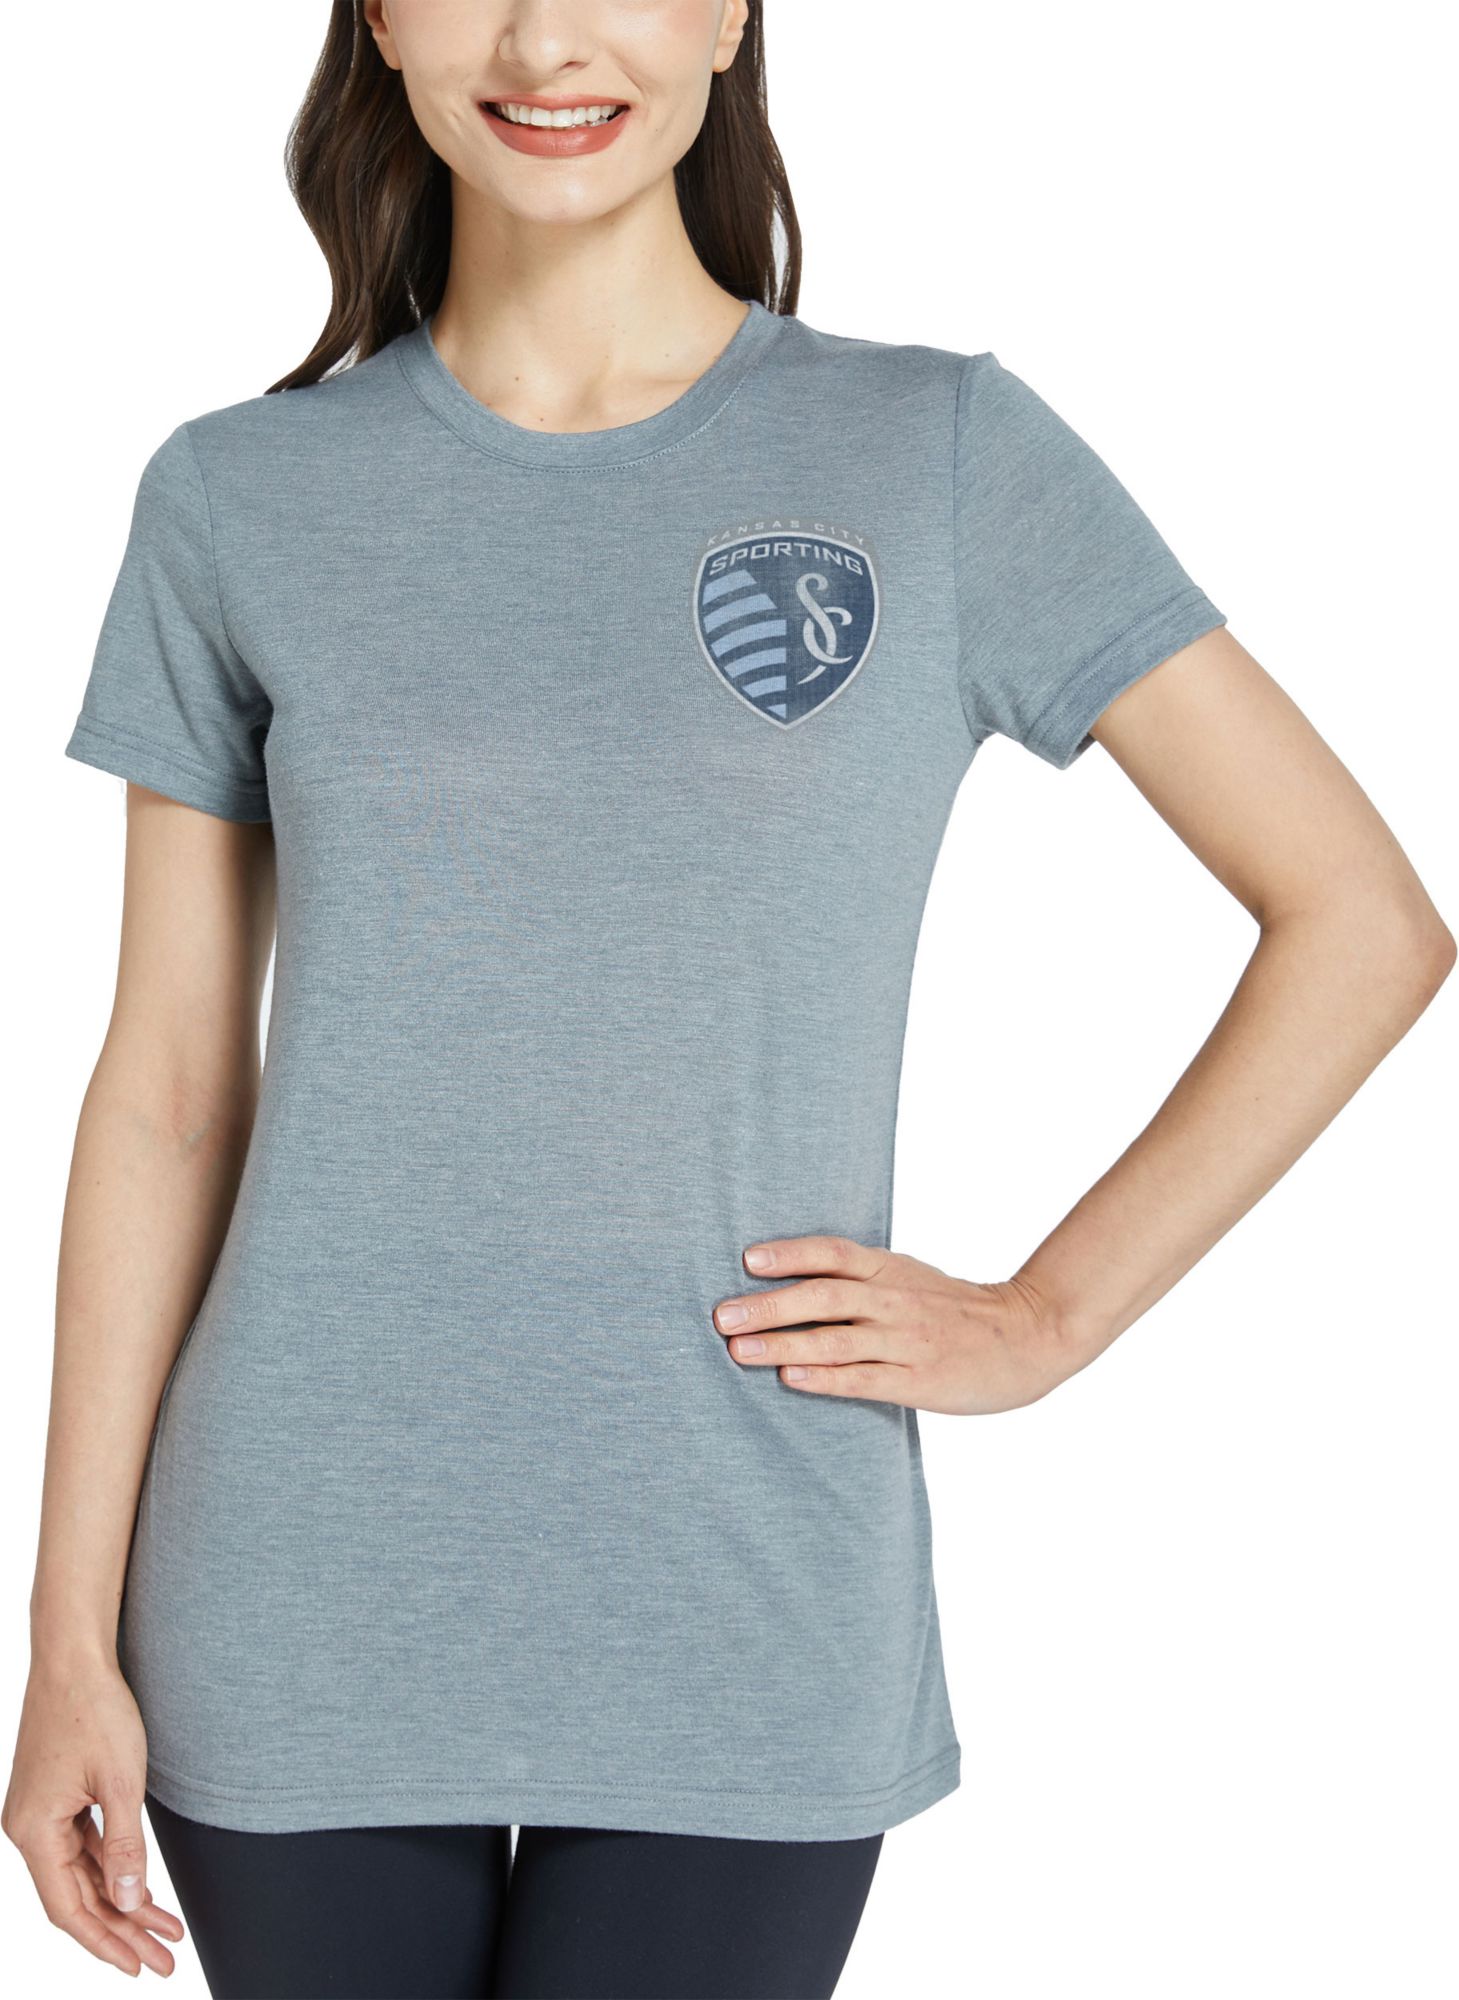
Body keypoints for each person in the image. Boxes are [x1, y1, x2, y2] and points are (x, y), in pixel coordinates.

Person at [5, 2, 1453, 1995]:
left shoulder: (937, 453)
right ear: (380, 19)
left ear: (727, 10)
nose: (545, 39)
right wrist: (64, 1637)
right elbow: (170, 1091)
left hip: (748, 1569)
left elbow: (1360, 919)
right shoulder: (240, 496)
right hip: (299, 1574)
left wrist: (1047, 1317)